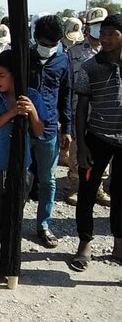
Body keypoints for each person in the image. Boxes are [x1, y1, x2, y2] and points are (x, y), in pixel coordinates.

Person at [0, 50, 47, 279]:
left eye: (2, 76)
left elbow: (39, 132)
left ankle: (9, 262)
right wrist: (11, 114)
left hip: (20, 169)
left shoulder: (32, 97)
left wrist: (31, 112)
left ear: (15, 76)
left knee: (14, 216)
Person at [71, 14, 122, 272]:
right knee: (87, 193)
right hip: (97, 139)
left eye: (112, 33)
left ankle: (119, 247)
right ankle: (84, 244)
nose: (105, 38)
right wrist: (81, 145)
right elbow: (81, 108)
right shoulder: (89, 67)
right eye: (102, 33)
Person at [28, 15, 72, 248]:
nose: (48, 48)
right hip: (24, 129)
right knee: (20, 178)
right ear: (36, 39)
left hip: (50, 130)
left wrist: (68, 128)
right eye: (44, 43)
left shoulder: (63, 61)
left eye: (52, 44)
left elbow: (65, 95)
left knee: (48, 180)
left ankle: (43, 224)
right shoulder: (24, 58)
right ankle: (11, 220)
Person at [66, 7, 110, 207]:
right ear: (88, 28)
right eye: (95, 26)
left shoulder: (114, 53)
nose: (99, 31)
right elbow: (67, 85)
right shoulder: (74, 52)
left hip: (105, 112)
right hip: (80, 110)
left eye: (103, 26)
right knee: (78, 150)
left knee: (104, 153)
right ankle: (75, 186)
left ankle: (99, 188)